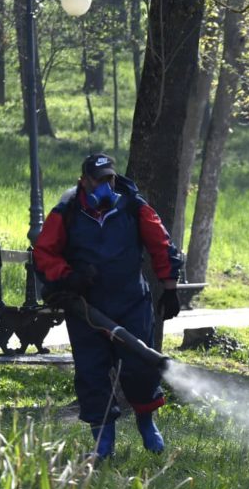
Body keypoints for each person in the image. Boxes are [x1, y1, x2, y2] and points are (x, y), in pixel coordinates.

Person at [33, 153, 182, 459]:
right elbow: (44, 252)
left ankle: (146, 423)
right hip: (87, 310)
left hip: (131, 304)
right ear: (84, 181)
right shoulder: (67, 210)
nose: (105, 184)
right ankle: (103, 445)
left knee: (141, 367)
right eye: (99, 179)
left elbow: (160, 242)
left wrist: (169, 286)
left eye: (109, 178)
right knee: (92, 375)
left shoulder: (132, 205)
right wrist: (69, 277)